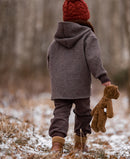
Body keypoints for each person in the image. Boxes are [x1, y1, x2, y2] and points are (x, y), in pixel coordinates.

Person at [47, 0, 111, 155]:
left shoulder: (56, 39)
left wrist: (56, 78)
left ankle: (56, 145)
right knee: (83, 113)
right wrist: (103, 77)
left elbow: (50, 59)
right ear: (85, 16)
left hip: (60, 85)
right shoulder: (88, 36)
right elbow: (94, 59)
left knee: (60, 113)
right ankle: (80, 145)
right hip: (80, 84)